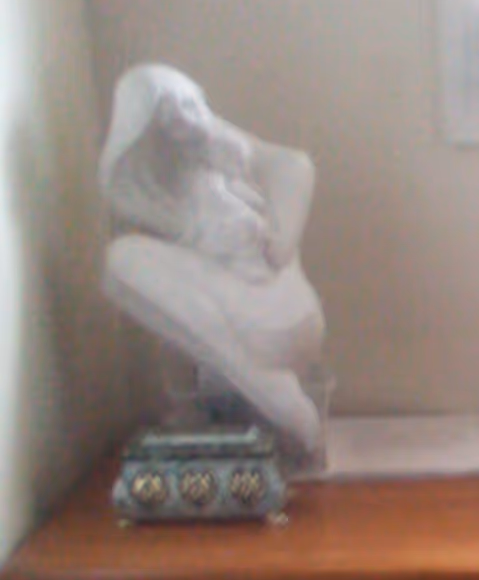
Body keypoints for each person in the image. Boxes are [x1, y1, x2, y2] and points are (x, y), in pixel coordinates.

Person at [99, 64, 327, 453]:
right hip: (256, 316)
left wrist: (283, 240)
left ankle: (260, 383)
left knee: (122, 261)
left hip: (276, 317)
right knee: (128, 267)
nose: (185, 123)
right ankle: (237, 392)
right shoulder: (175, 191)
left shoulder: (226, 157)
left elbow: (294, 165)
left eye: (189, 106)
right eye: (169, 118)